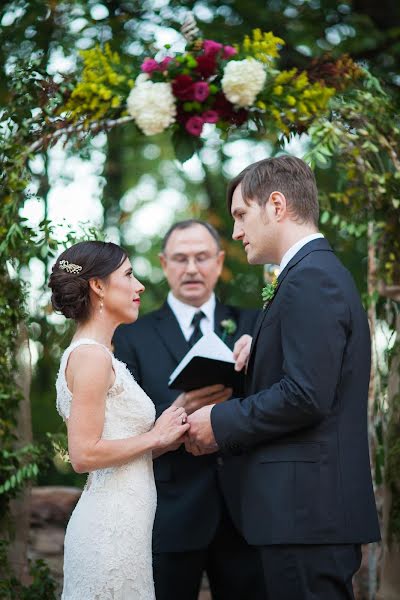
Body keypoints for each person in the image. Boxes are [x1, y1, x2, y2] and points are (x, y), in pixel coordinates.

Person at [186, 156, 381, 600]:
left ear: (276, 204)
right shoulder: (309, 274)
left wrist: (219, 422)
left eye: (240, 214)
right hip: (306, 513)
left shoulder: (310, 278)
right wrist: (264, 347)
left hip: (306, 514)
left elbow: (305, 395)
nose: (235, 232)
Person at [113, 220, 265, 600]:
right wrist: (175, 411)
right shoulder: (131, 335)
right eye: (181, 259)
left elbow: (276, 400)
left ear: (218, 261)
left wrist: (258, 351)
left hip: (245, 510)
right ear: (164, 264)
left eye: (201, 257)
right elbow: (122, 422)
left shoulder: (255, 324)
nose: (192, 268)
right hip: (170, 511)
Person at [49, 240, 190, 600]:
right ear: (97, 286)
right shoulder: (91, 358)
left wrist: (169, 433)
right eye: (128, 274)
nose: (139, 285)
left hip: (127, 532)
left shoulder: (102, 357)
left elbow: (120, 447)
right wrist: (155, 438)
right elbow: (83, 455)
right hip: (107, 536)